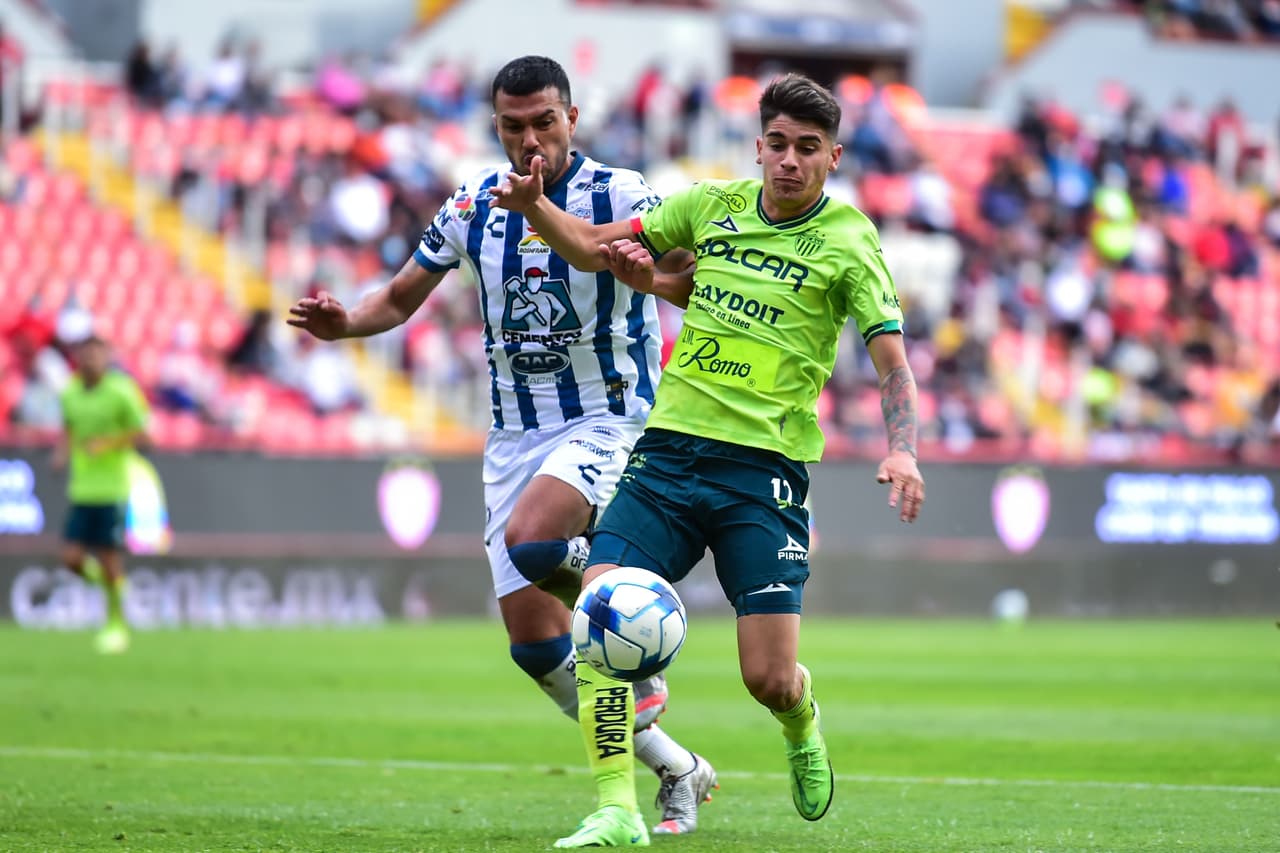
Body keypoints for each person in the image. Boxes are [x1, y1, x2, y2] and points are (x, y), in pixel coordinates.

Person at [287, 55, 716, 846]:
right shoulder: (470, 205)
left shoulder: (623, 195)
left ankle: (631, 600)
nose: (530, 141)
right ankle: (677, 764)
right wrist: (345, 324)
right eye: (513, 126)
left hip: (608, 420)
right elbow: (401, 295)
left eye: (543, 123)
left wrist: (648, 273)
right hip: (514, 438)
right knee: (537, 645)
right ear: (496, 126)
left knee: (537, 541)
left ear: (571, 119)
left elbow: (694, 284)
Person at [490, 72, 926, 836]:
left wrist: (904, 450)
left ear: (834, 157)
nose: (790, 161)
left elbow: (893, 365)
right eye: (779, 145)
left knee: (767, 677)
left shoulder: (852, 240)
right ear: (758, 147)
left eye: (809, 149)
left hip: (763, 474)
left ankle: (800, 721)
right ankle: (616, 807)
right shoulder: (710, 206)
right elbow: (596, 248)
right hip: (667, 456)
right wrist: (540, 212)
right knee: (599, 616)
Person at [52, 334, 151, 654]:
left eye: (97, 353)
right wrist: (62, 453)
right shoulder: (69, 393)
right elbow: (69, 429)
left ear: (108, 357)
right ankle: (113, 589)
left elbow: (146, 435)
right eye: (86, 353)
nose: (91, 359)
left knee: (109, 559)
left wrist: (107, 444)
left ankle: (116, 625)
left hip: (113, 489)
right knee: (72, 560)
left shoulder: (122, 392)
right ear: (78, 357)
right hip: (82, 489)